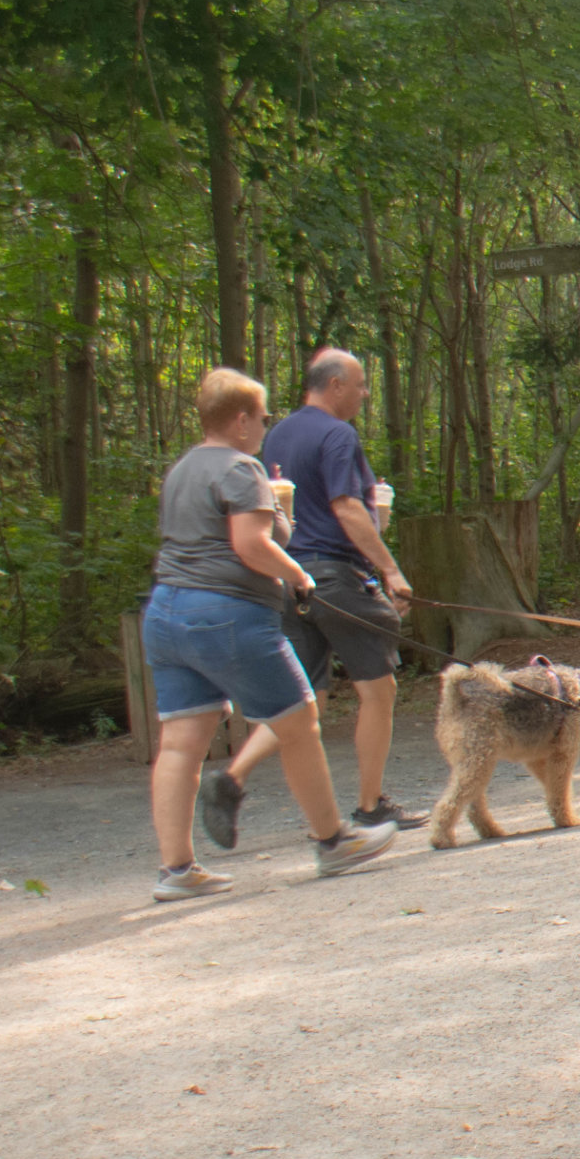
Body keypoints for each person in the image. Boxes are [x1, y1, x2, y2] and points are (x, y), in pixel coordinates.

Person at [140, 368, 399, 900]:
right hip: (228, 614)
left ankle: (177, 870)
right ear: (239, 421)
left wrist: (281, 514)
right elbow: (250, 544)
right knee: (300, 721)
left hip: (166, 612)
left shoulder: (182, 468)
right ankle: (333, 842)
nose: (265, 425)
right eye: (260, 417)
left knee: (181, 742)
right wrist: (299, 576)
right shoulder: (241, 468)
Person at [200, 348, 423, 847]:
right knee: (378, 689)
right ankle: (370, 805)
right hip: (336, 576)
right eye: (361, 385)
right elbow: (346, 508)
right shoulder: (338, 434)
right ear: (336, 384)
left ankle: (231, 779)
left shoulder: (275, 434)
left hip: (291, 578)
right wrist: (390, 569)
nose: (364, 395)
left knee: (303, 700)